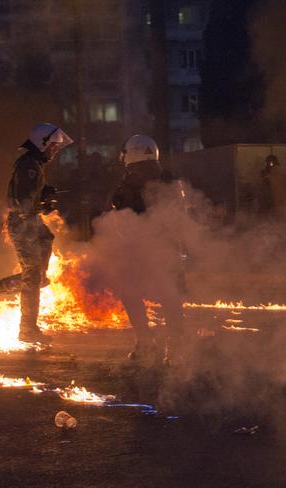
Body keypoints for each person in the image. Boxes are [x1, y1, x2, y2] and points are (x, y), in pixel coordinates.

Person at [0, 123, 73, 343]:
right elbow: (22, 202)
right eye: (54, 146)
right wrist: (40, 204)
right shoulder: (29, 165)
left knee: (38, 277)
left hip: (30, 222)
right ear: (43, 143)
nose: (56, 150)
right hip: (23, 223)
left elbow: (30, 198)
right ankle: (27, 330)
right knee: (32, 278)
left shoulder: (35, 164)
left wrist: (43, 197)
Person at [109, 134, 186, 365]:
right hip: (170, 248)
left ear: (130, 154)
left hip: (142, 250)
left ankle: (145, 344)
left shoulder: (129, 183)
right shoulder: (170, 181)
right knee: (171, 298)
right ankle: (175, 350)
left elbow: (124, 221)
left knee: (130, 293)